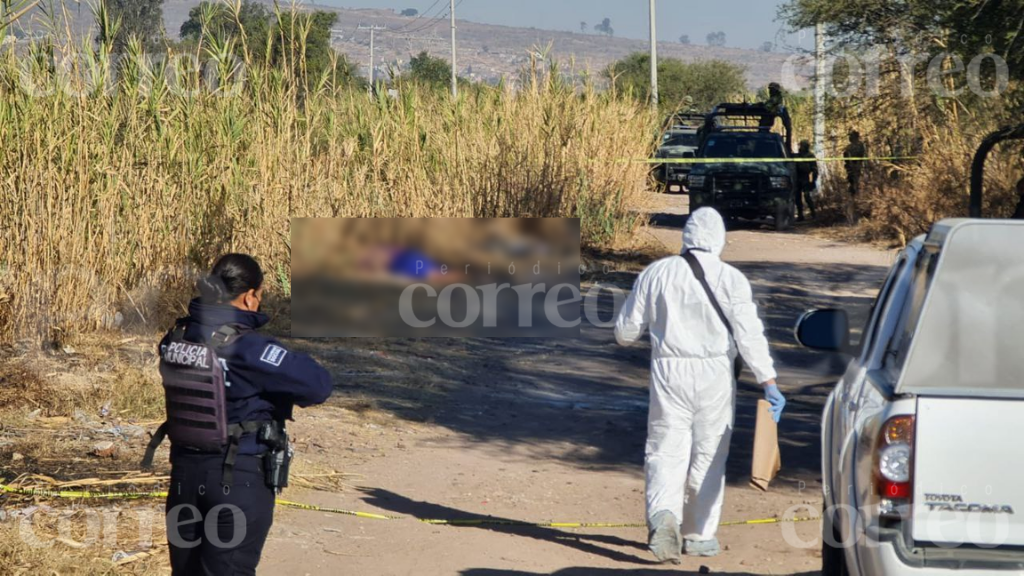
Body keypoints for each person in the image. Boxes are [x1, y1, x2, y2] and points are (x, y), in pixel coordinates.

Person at [144, 254, 333, 575]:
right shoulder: (249, 349)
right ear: (249, 296)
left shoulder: (175, 338)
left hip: (183, 479)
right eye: (260, 297)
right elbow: (317, 386)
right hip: (237, 479)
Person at [614, 208, 784, 564]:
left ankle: (663, 518)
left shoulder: (656, 273)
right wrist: (768, 381)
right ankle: (699, 534)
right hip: (715, 375)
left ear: (686, 236)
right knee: (709, 454)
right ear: (720, 239)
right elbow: (750, 334)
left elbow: (625, 334)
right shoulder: (732, 279)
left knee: (665, 448)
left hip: (669, 372)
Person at [760, 82, 793, 152]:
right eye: (770, 89)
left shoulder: (776, 99)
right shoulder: (774, 99)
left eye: (772, 89)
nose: (770, 91)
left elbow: (767, 107)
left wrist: (762, 106)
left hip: (768, 120)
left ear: (775, 90)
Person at [794, 140, 819, 221]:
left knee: (807, 196)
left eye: (802, 145)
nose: (800, 147)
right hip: (797, 178)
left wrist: (813, 180)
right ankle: (800, 215)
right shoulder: (797, 156)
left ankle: (813, 214)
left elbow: (814, 169)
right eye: (800, 145)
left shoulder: (810, 156)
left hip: (806, 178)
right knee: (797, 197)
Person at [844, 130, 867, 197]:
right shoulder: (849, 147)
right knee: (852, 180)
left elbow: (861, 155)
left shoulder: (859, 145)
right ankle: (854, 194)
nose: (850, 138)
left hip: (857, 166)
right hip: (850, 167)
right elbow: (846, 157)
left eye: (851, 136)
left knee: (857, 180)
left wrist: (857, 163)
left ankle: (858, 194)